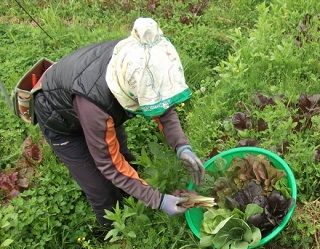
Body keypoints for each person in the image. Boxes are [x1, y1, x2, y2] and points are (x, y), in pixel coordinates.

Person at [32, 17, 205, 227]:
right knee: (101, 189)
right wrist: (158, 200)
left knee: (124, 159)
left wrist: (182, 146)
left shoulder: (139, 57)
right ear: (130, 93)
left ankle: (135, 201)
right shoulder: (97, 106)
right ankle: (112, 233)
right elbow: (109, 165)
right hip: (61, 121)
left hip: (88, 100)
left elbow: (163, 107)